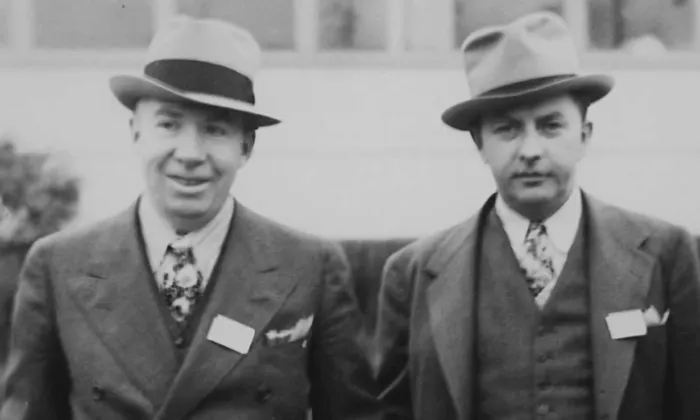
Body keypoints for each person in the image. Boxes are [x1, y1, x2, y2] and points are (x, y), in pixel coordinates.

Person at [1, 16, 376, 420]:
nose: (191, 153)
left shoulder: (310, 266)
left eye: (215, 129)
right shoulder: (57, 266)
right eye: (169, 124)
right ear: (135, 132)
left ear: (246, 147)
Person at [372, 11, 700, 420]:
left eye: (550, 126)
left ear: (584, 136)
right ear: (480, 144)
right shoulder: (413, 274)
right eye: (507, 129)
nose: (530, 150)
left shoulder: (666, 254)